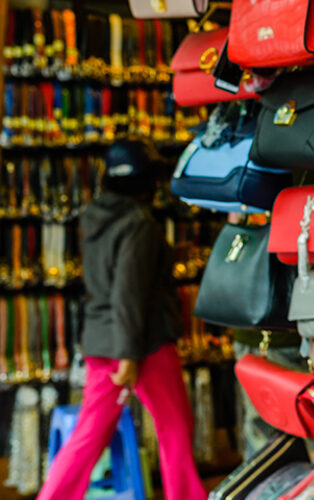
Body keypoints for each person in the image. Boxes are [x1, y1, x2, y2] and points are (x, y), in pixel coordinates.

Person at [38, 138, 207, 500]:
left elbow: (113, 282)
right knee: (175, 431)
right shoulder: (139, 224)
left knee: (88, 436)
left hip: (102, 339)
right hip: (142, 344)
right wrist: (129, 356)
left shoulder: (95, 217)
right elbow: (129, 292)